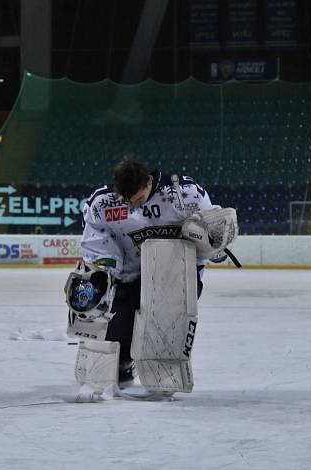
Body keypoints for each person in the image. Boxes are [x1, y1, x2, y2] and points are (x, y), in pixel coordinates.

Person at [78, 158, 222, 385]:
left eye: (139, 200)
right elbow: (95, 237)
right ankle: (124, 360)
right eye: (129, 202)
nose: (134, 207)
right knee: (116, 321)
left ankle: (164, 367)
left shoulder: (185, 194)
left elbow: (215, 227)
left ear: (148, 183)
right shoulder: (103, 203)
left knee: (165, 319)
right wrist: (104, 271)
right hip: (131, 276)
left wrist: (215, 244)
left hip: (177, 275)